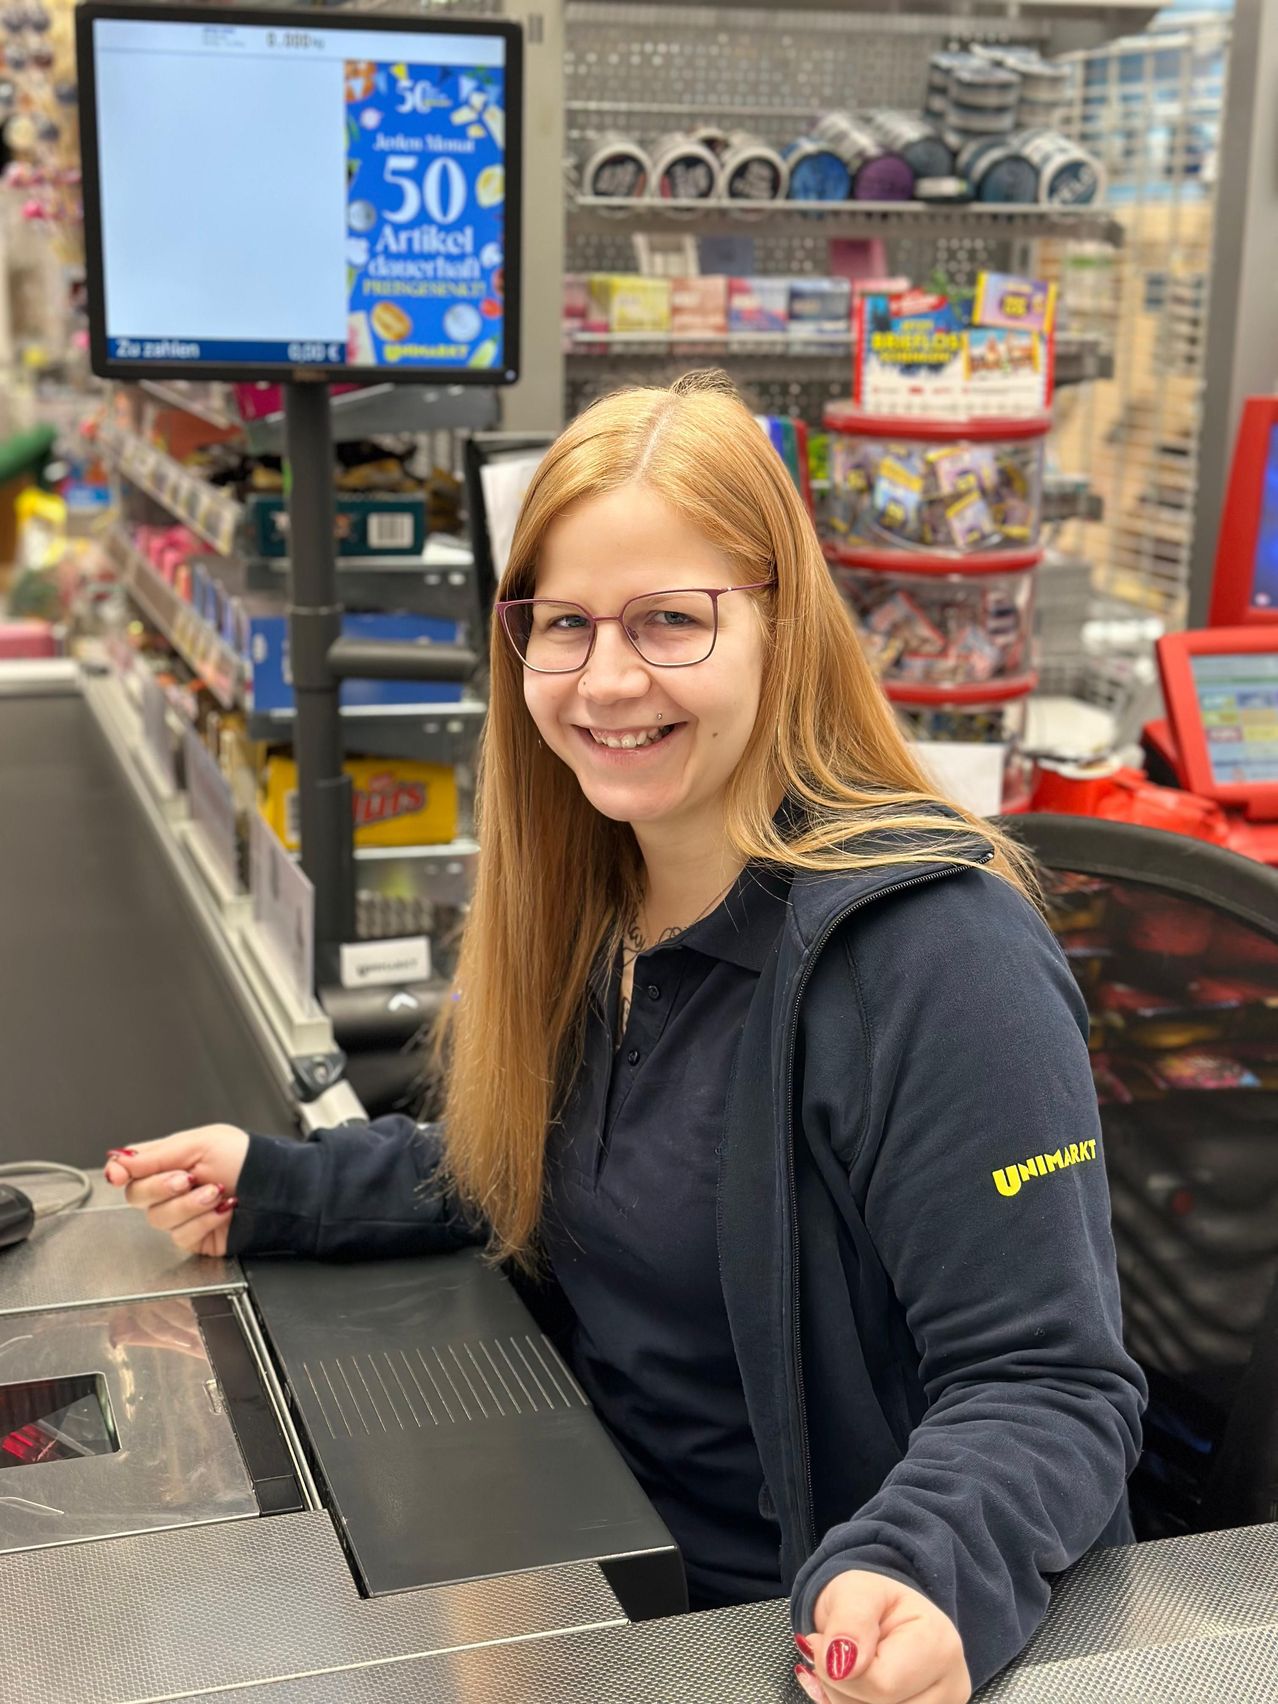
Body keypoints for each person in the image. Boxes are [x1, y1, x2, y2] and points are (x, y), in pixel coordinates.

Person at [106, 373, 1145, 1704]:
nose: (605, 680)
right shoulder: (602, 892)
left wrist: (920, 1568)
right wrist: (285, 1186)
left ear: (783, 625)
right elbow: (552, 1154)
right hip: (591, 1559)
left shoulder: (938, 960)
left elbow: (1049, 1382)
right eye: (563, 625)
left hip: (779, 1630)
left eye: (668, 621)